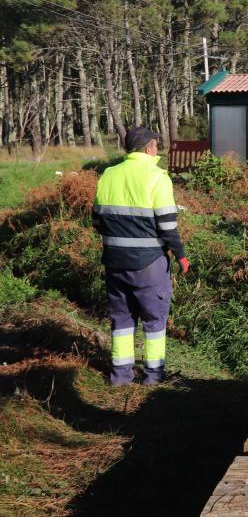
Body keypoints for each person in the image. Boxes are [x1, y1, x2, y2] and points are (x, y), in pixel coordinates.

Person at [92, 126, 189, 386]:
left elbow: (97, 219)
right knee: (154, 319)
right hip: (149, 264)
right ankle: (153, 376)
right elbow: (168, 225)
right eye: (156, 145)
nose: (158, 149)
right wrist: (180, 255)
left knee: (121, 319)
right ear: (148, 148)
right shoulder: (157, 177)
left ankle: (120, 376)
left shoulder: (108, 174)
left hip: (114, 262)